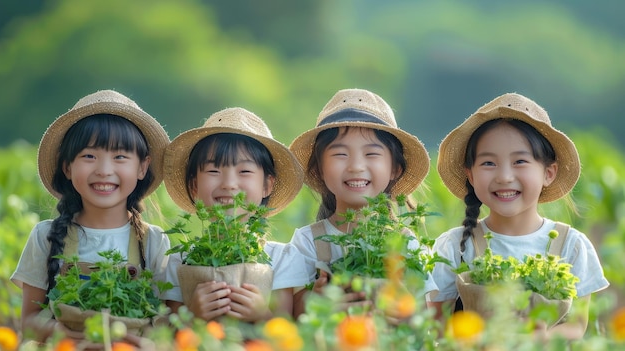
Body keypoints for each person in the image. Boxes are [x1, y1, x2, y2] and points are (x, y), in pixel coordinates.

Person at [429, 92, 609, 340]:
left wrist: (539, 338)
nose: (504, 176)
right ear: (470, 175)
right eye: (489, 163)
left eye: (520, 161)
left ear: (549, 173)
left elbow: (577, 326)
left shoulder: (572, 246)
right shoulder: (455, 248)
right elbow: (437, 327)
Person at [10, 90, 179, 343]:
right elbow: (29, 323)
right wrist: (67, 334)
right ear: (67, 166)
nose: (104, 170)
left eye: (120, 156)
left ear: (142, 167)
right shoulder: (45, 236)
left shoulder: (154, 242)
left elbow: (167, 322)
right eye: (89, 156)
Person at [288, 88, 436, 318]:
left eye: (371, 154)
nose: (356, 166)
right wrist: (316, 301)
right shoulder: (307, 242)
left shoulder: (405, 242)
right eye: (340, 154)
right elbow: (291, 315)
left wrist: (405, 310)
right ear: (319, 169)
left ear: (395, 168)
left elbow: (426, 321)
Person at [163, 107, 307, 322]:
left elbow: (284, 336)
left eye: (245, 171)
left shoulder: (283, 258)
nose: (229, 184)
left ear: (267, 185)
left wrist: (262, 315)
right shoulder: (180, 261)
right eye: (213, 171)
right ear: (194, 186)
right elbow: (170, 336)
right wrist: (193, 316)